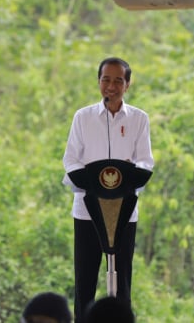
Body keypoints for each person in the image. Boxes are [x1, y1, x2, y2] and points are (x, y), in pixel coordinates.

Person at [62, 57, 154, 322]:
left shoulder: (139, 119)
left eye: (117, 80)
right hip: (87, 211)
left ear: (127, 84)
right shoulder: (83, 117)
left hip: (124, 211)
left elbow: (145, 161)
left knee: (122, 281)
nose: (111, 86)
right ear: (98, 81)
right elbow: (71, 160)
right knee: (85, 282)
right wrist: (93, 181)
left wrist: (127, 178)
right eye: (106, 79)